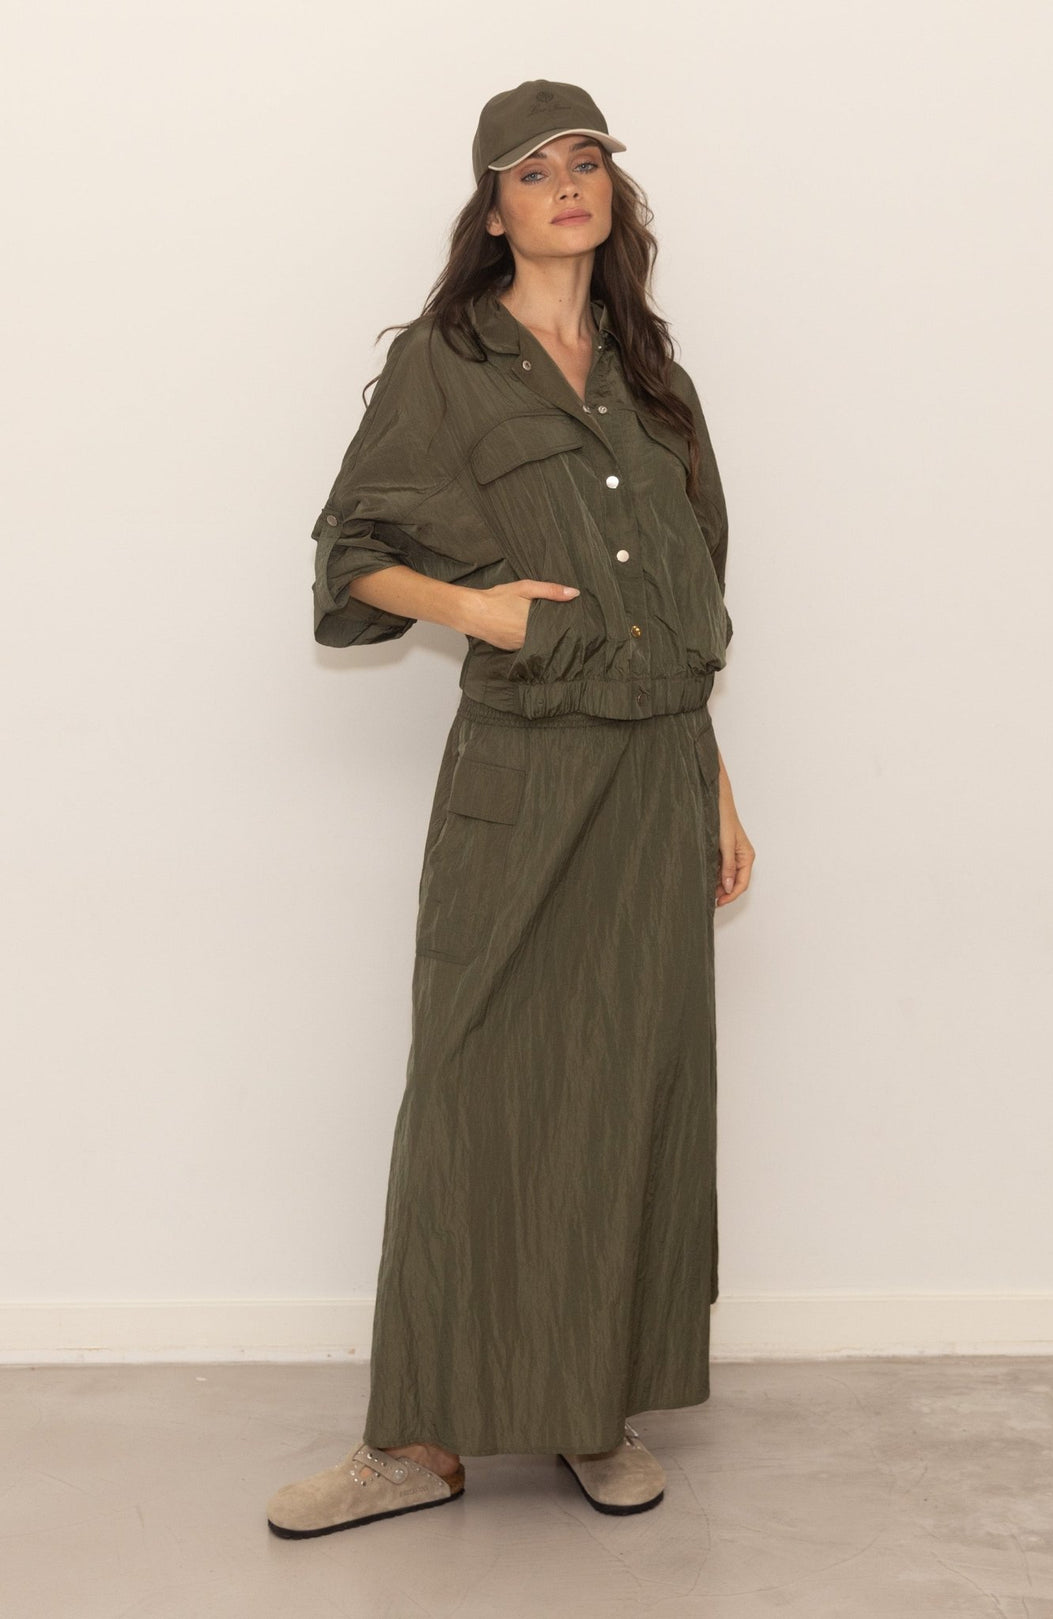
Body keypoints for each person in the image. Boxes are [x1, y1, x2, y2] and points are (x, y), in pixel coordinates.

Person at [267, 77, 755, 1539]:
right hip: (524, 777)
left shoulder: (652, 377)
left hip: (655, 772)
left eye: (586, 159)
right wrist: (477, 607)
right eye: (532, 168)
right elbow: (348, 560)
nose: (564, 182)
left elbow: (693, 600)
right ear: (493, 209)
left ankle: (590, 1412)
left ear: (612, 193)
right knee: (477, 1101)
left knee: (624, 1097)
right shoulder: (445, 361)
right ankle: (415, 1440)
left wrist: (719, 785)